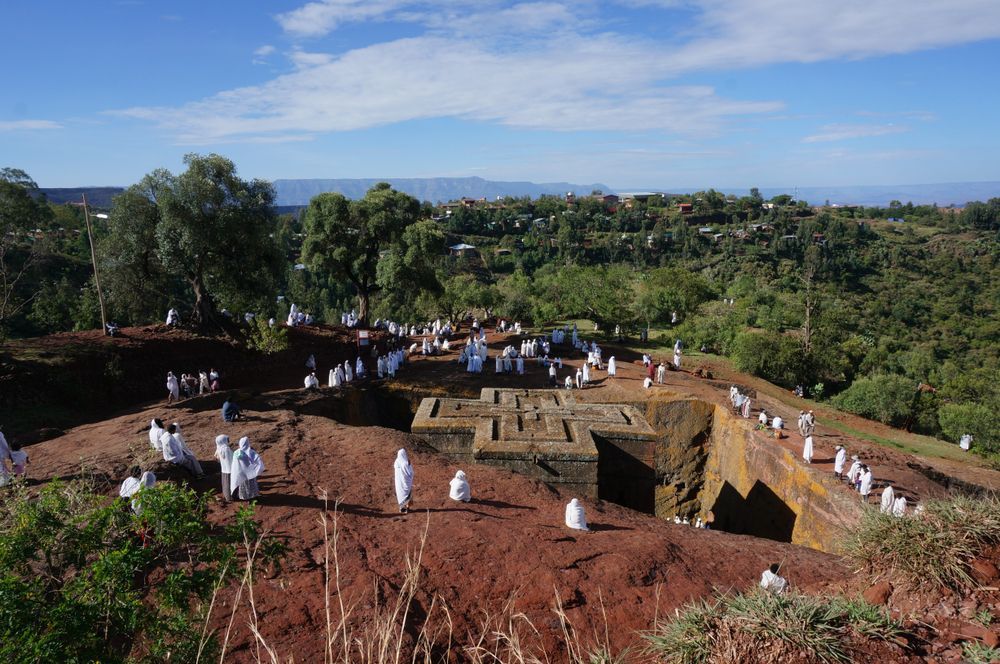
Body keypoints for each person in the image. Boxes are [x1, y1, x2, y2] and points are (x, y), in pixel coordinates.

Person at [230, 436, 265, 501]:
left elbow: (235, 465)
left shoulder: (236, 452)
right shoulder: (251, 452)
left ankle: (245, 497)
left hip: (241, 473)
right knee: (251, 485)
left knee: (243, 485)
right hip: (250, 474)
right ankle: (252, 496)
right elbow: (258, 460)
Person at [394, 449, 414, 513]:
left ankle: (401, 508)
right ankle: (407, 508)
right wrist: (409, 465)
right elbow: (410, 473)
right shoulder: (405, 463)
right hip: (406, 482)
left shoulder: (396, 462)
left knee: (400, 494)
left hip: (398, 483)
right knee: (408, 494)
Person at [214, 435, 234, 502]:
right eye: (227, 439)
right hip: (229, 469)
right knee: (229, 483)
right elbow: (230, 459)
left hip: (224, 469)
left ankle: (226, 495)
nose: (228, 441)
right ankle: (230, 497)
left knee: (225, 483)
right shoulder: (226, 449)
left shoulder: (219, 448)